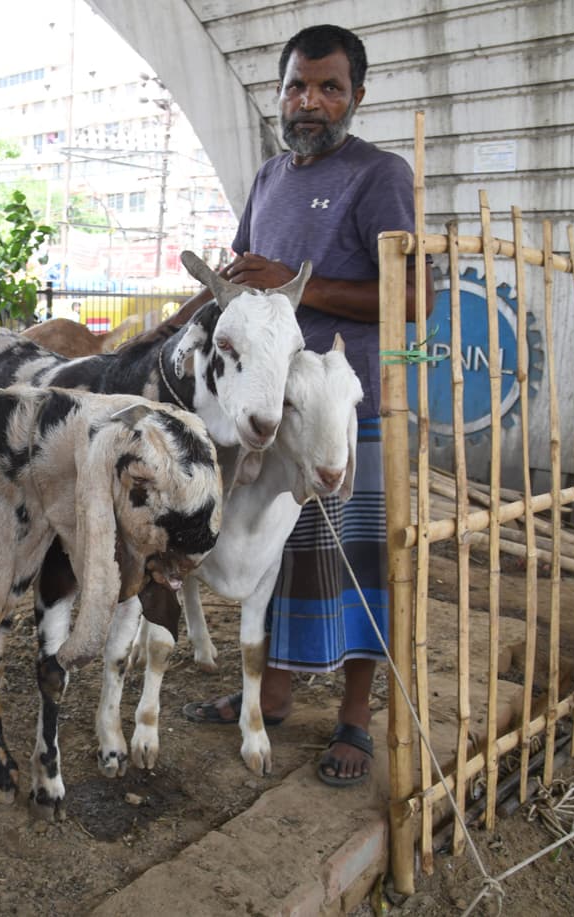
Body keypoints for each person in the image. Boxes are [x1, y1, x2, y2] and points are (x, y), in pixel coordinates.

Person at [175, 24, 432, 787]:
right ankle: (274, 696)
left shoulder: (380, 173)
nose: (309, 102)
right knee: (272, 559)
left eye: (328, 87)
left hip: (346, 402)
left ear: (358, 94)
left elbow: (414, 298)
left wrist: (296, 280)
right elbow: (249, 287)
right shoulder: (265, 179)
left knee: (358, 560)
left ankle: (355, 717)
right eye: (296, 86)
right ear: (280, 92)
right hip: (271, 403)